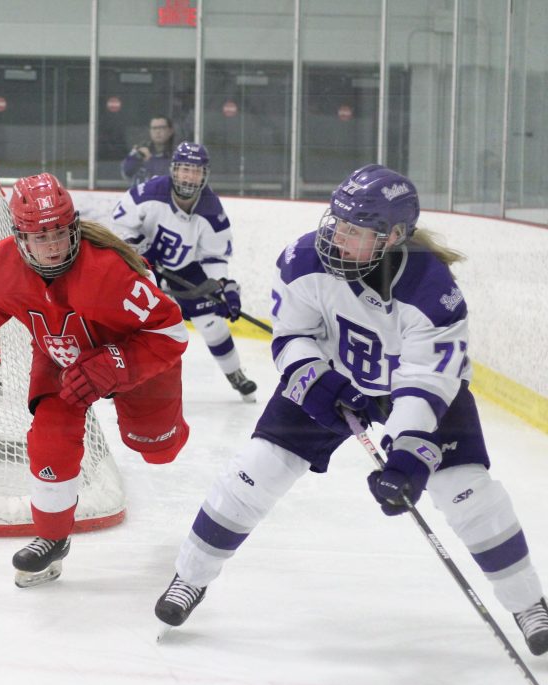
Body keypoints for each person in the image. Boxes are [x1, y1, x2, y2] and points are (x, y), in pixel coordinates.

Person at [153, 164, 548, 658]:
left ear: (394, 237)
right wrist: (317, 383)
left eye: (355, 231)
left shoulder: (432, 290)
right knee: (256, 471)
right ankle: (189, 578)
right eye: (336, 223)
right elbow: (292, 336)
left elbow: (427, 381)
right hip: (334, 378)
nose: (337, 237)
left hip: (412, 391)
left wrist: (405, 457)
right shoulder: (303, 260)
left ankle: (528, 602)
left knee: (469, 494)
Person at [0, 173, 190, 587]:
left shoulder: (110, 271)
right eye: (39, 236)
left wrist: (114, 365)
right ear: (19, 236)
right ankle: (52, 537)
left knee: (157, 447)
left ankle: (167, 429)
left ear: (73, 227)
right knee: (49, 436)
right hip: (61, 356)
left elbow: (170, 333)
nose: (52, 245)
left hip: (133, 355)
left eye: (58, 232)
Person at [111, 141, 257, 401]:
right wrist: (134, 247)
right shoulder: (150, 191)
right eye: (184, 169)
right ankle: (118, 376)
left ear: (205, 174)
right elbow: (122, 222)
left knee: (212, 323)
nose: (189, 176)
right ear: (174, 170)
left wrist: (221, 285)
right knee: (133, 321)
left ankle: (235, 373)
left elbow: (214, 255)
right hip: (143, 263)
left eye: (196, 171)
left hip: (184, 268)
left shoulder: (211, 209)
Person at [121, 115, 175, 185]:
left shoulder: (177, 155)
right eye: (154, 128)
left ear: (170, 131)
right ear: (150, 131)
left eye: (162, 128)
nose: (158, 131)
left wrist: (150, 162)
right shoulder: (141, 151)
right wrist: (137, 157)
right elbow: (126, 172)